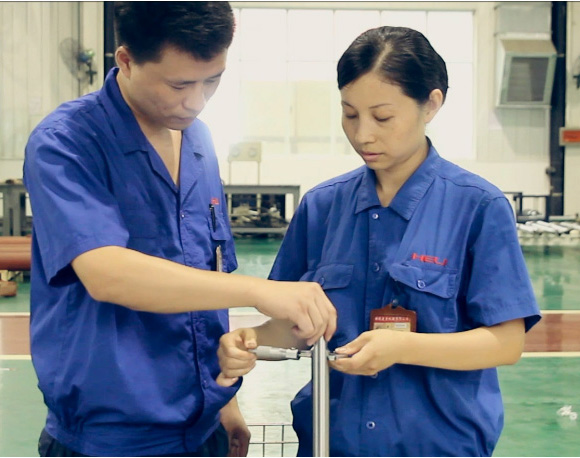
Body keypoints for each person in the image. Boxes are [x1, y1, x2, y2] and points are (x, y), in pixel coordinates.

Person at [23, 2, 336, 457]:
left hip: (202, 426)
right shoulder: (67, 142)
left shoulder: (199, 141)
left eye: (213, 81)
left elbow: (209, 272)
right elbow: (107, 273)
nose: (196, 101)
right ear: (127, 60)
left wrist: (224, 400)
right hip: (111, 439)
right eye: (179, 84)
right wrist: (259, 291)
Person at [217, 26, 541, 457]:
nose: (363, 134)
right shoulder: (322, 207)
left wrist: (405, 346)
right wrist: (251, 340)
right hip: (332, 442)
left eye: (382, 117)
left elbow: (506, 342)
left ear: (431, 104)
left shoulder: (478, 207)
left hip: (436, 446)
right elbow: (295, 326)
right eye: (350, 115)